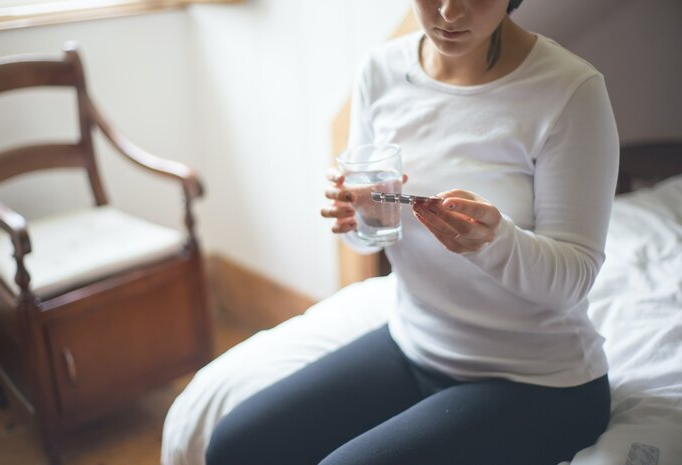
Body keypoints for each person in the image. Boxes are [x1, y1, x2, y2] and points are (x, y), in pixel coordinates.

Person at [205, 0, 619, 464]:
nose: (447, 13)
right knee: (234, 445)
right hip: (414, 344)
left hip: (538, 382)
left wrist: (495, 242)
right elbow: (371, 233)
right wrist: (355, 218)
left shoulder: (569, 91)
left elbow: (574, 280)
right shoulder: (381, 70)